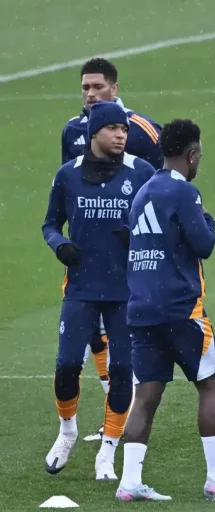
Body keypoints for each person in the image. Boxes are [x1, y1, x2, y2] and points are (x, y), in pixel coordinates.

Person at [116, 119, 215, 502]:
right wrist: (206, 217)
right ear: (191, 155)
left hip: (141, 309)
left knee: (146, 395)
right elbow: (205, 244)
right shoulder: (183, 192)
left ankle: (129, 482)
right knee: (210, 385)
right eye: (199, 156)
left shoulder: (142, 192)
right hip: (181, 310)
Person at [42, 101, 155, 479]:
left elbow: (162, 219)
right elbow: (50, 225)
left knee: (123, 371)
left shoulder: (141, 172)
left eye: (125, 129)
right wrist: (60, 245)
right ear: (94, 134)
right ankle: (67, 430)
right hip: (81, 290)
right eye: (114, 129)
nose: (122, 134)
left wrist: (138, 236)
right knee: (66, 366)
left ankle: (107, 451)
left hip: (127, 292)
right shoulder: (67, 175)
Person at [60, 57, 163, 440]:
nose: (90, 93)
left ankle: (128, 408)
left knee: (128, 336)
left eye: (97, 87)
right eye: (85, 87)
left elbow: (164, 180)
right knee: (89, 334)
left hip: (129, 257)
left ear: (115, 89)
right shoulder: (72, 130)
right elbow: (67, 189)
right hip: (86, 255)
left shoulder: (140, 130)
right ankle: (114, 407)